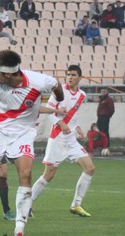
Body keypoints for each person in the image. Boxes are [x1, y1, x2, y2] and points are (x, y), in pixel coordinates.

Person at [0, 50, 63, 236]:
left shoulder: (37, 81)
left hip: (23, 132)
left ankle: (19, 231)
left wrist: (59, 97)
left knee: (26, 175)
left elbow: (56, 85)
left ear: (8, 74)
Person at [31, 65, 97, 217]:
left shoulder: (81, 95)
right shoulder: (59, 92)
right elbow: (48, 111)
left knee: (90, 168)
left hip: (71, 139)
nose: (70, 77)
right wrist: (59, 122)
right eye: (68, 74)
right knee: (49, 174)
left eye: (73, 75)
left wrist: (78, 126)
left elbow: (74, 114)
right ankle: (28, 204)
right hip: (57, 138)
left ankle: (76, 205)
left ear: (80, 77)